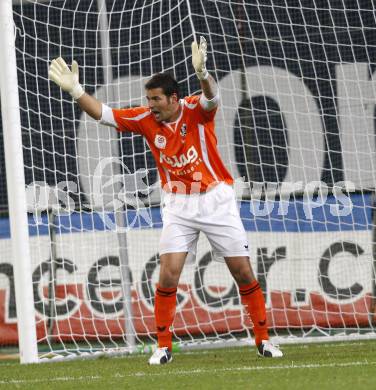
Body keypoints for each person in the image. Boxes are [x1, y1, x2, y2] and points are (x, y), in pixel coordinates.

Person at [48, 36, 283, 364]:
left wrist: (202, 74)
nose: (151, 104)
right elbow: (104, 115)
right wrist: (76, 91)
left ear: (173, 98)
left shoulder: (194, 111)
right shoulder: (146, 119)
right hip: (179, 204)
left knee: (242, 272)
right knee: (168, 274)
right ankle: (163, 347)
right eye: (148, 99)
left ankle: (263, 341)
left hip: (215, 199)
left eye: (156, 99)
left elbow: (212, 98)